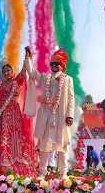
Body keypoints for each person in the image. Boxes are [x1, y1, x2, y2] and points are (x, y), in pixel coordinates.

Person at [24, 47, 75, 177]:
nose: (54, 66)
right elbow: (32, 73)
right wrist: (28, 59)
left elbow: (71, 98)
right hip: (46, 116)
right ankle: (42, 172)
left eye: (57, 64)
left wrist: (70, 115)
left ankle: (63, 173)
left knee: (63, 145)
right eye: (52, 64)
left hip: (61, 116)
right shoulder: (45, 77)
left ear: (62, 65)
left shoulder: (68, 79)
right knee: (44, 146)